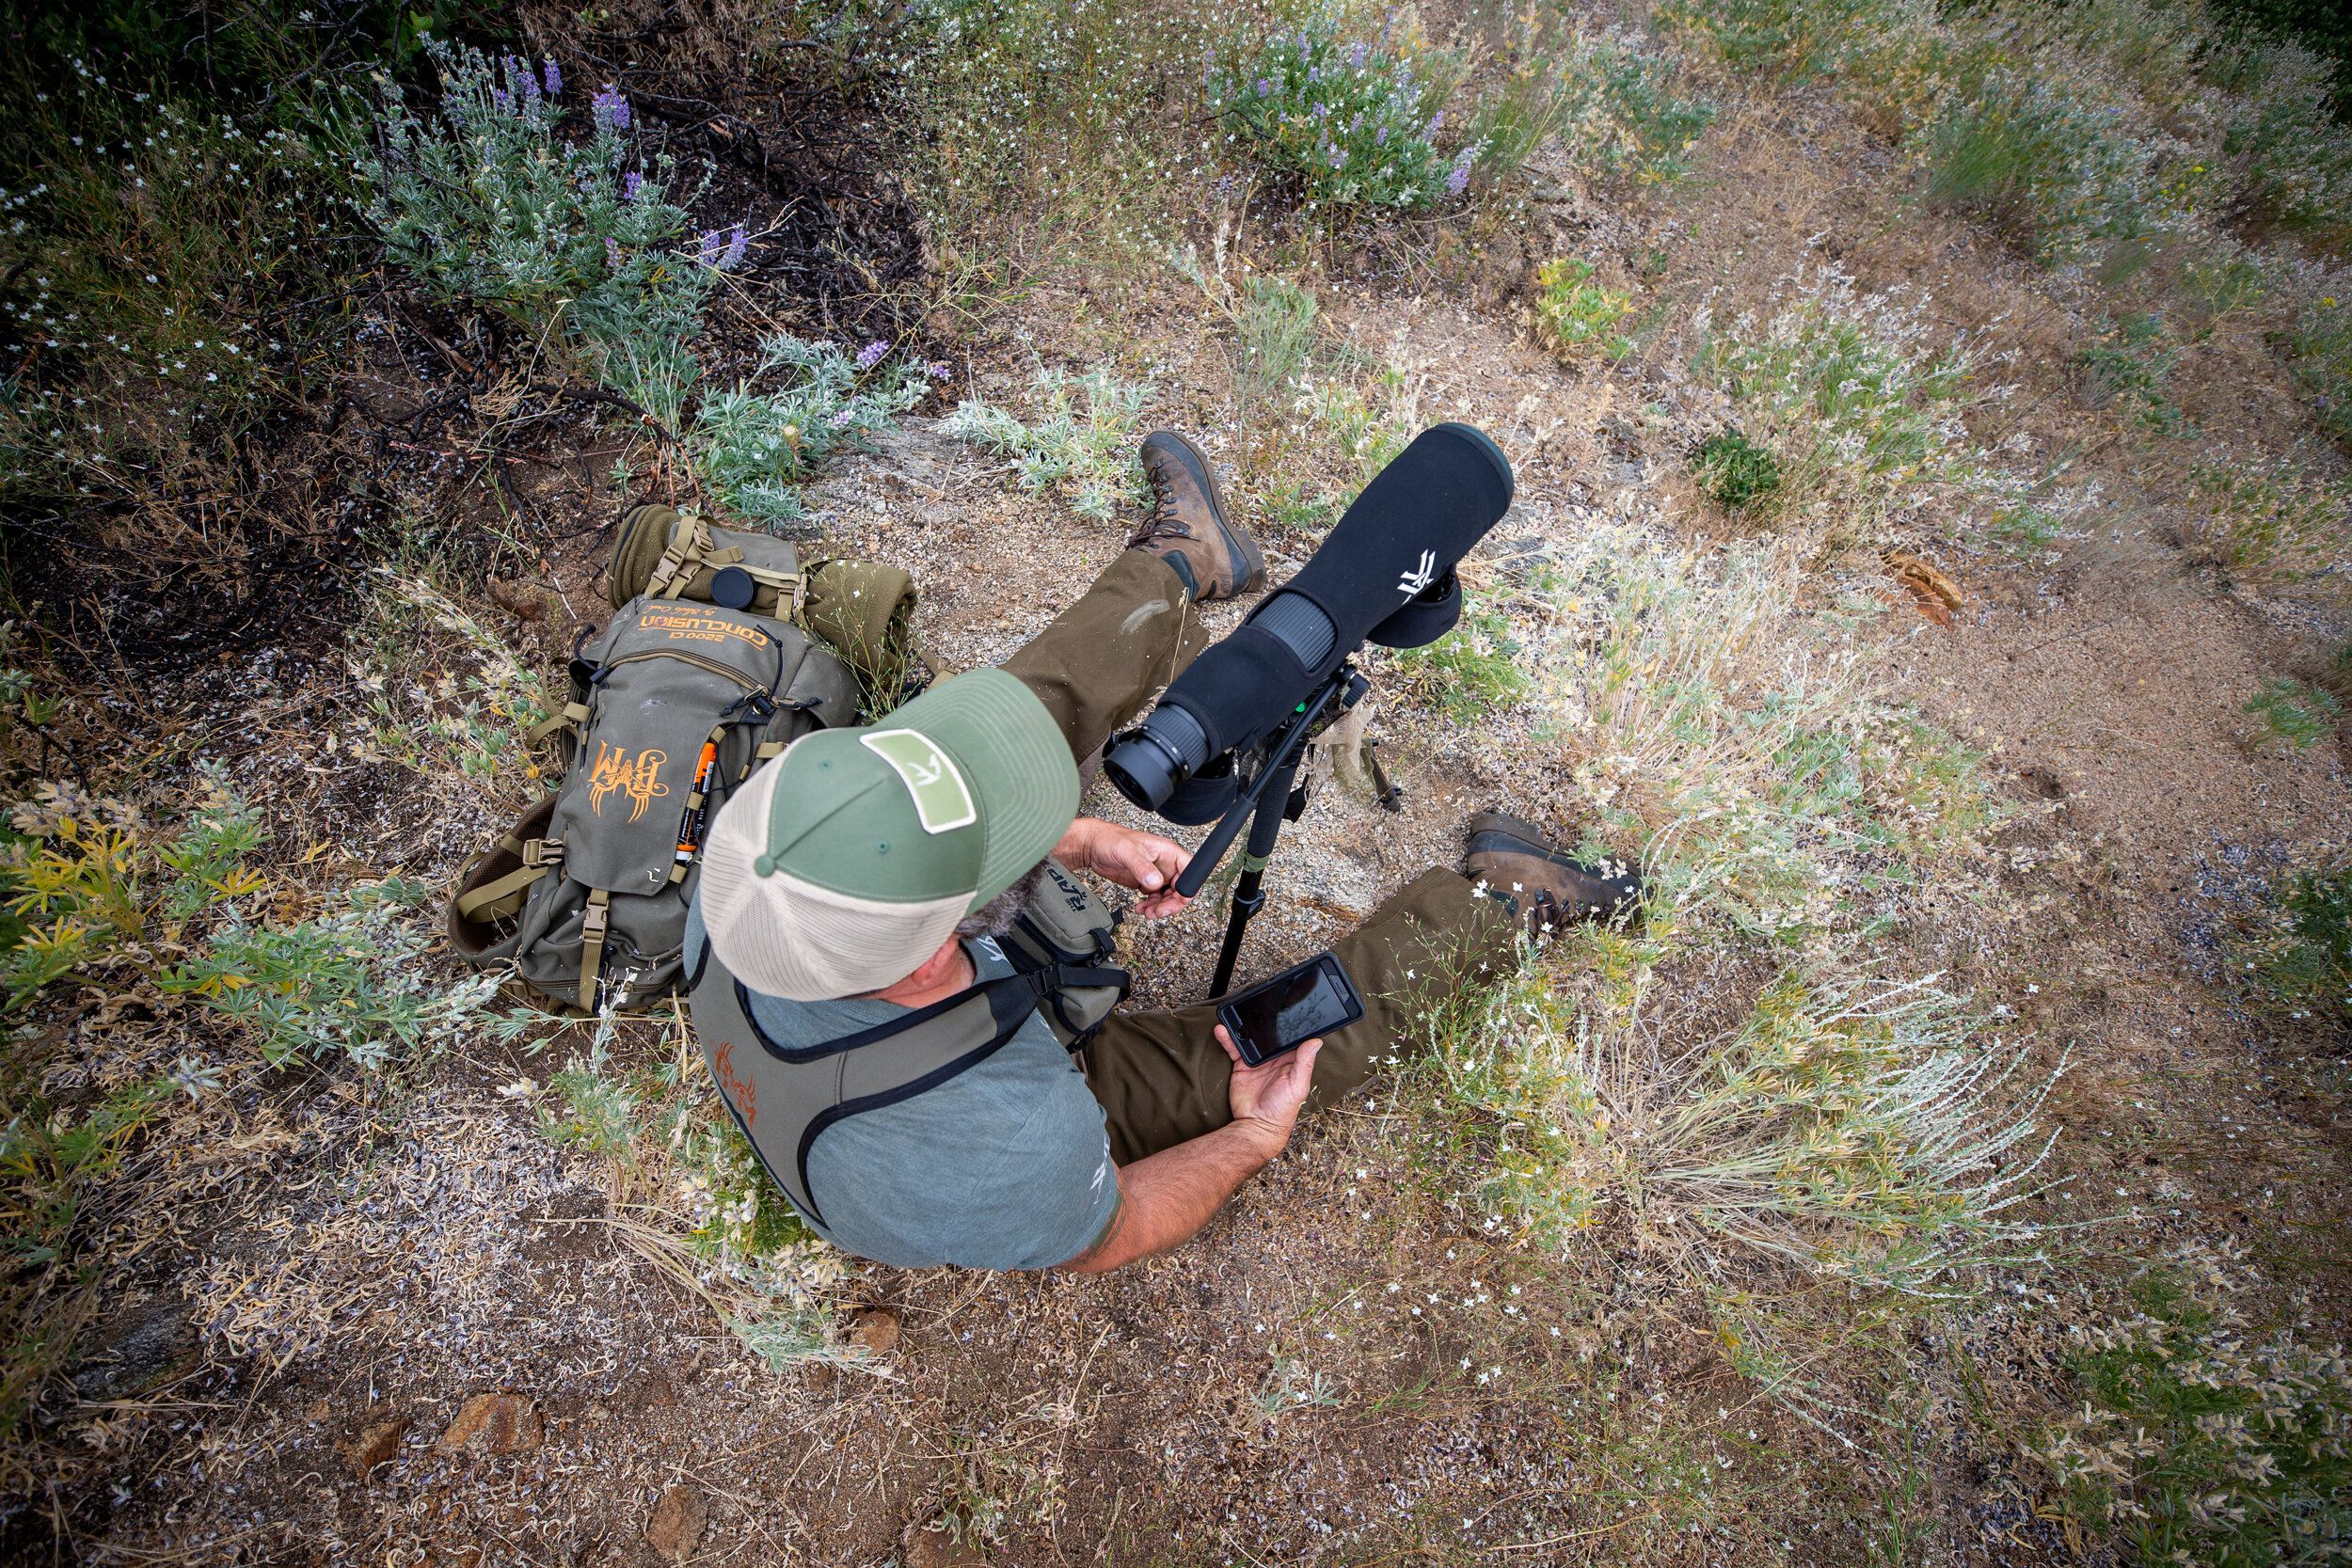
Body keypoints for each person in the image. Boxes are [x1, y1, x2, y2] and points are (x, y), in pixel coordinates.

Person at [684, 432, 1638, 1273]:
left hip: (887, 1010)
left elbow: (904, 844)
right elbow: (1114, 1228)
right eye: (996, 856)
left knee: (1008, 722)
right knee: (1263, 1053)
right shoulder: (1012, 1139)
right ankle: (1503, 900)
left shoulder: (752, 870)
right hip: (952, 1103)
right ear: (945, 948)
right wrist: (1252, 1141)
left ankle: (1186, 561)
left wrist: (1077, 833)